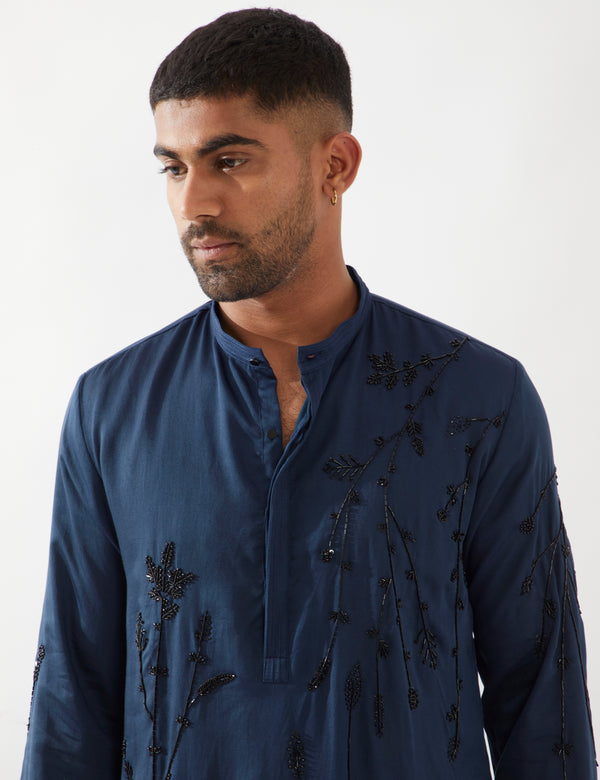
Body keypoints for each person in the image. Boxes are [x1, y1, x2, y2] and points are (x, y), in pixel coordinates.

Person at [21, 8, 596, 780]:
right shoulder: (113, 408)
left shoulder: (477, 398)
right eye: (174, 167)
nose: (194, 204)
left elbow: (543, 701)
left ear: (335, 166)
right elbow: (72, 701)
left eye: (229, 160)